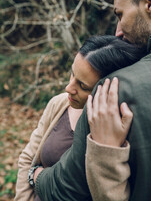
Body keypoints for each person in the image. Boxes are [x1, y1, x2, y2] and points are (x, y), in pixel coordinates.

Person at [33, 0, 151, 200]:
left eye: (120, 15)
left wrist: (35, 176)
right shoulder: (58, 105)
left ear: (150, 2)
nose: (118, 31)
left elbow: (67, 187)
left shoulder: (115, 90)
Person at [14, 35, 144, 201]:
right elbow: (27, 159)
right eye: (72, 74)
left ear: (108, 90)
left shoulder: (122, 128)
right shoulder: (59, 104)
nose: (69, 88)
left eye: (82, 86)